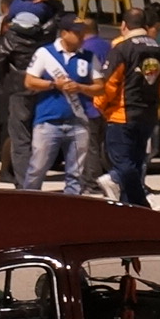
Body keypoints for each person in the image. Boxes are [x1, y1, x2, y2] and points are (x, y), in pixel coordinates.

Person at [96, 7, 160, 206]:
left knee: (122, 163)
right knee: (136, 163)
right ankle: (132, 209)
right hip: (148, 116)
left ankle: (140, 203)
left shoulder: (122, 49)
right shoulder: (159, 49)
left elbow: (109, 84)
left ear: (124, 25)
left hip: (122, 116)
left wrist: (100, 107)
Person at [0, 0, 55, 186]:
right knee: (40, 138)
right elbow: (60, 14)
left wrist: (7, 77)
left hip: (17, 90)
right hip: (42, 88)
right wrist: (50, 0)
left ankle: (24, 183)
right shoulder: (47, 34)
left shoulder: (12, 36)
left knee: (20, 139)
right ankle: (35, 179)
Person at [26, 16, 99, 196]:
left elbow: (100, 87)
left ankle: (69, 209)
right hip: (48, 121)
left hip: (78, 122)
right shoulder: (45, 53)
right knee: (37, 168)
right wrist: (52, 85)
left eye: (83, 32)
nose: (81, 36)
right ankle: (28, 204)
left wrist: (81, 87)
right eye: (77, 32)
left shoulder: (88, 57)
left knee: (75, 174)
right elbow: (29, 82)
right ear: (64, 33)